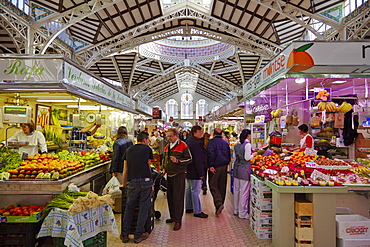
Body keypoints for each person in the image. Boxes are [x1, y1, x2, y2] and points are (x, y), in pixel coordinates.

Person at [121, 132, 153, 244]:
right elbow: (148, 167)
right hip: (145, 181)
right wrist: (152, 184)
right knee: (143, 208)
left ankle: (124, 235)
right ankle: (138, 236)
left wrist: (124, 184)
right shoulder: (148, 150)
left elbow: (125, 169)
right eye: (148, 139)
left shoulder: (128, 150)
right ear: (144, 140)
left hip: (132, 182)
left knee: (129, 208)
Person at [163, 128, 192, 231]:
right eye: (168, 136)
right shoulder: (167, 146)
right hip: (169, 174)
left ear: (176, 135)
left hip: (179, 174)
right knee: (170, 197)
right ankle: (173, 216)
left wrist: (178, 160)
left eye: (170, 136)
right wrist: (164, 168)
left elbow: (189, 159)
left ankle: (178, 220)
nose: (169, 138)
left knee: (178, 197)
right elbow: (164, 159)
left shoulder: (183, 145)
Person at [206, 128, 231, 216]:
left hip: (215, 166)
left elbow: (210, 153)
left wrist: (211, 165)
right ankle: (220, 204)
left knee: (213, 184)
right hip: (224, 166)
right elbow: (229, 154)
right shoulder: (225, 143)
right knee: (222, 185)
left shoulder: (211, 142)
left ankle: (218, 203)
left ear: (213, 133)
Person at [185, 126, 208, 218]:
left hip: (188, 170)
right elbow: (198, 159)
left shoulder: (188, 141)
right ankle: (197, 211)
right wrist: (201, 173)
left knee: (188, 189)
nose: (201, 134)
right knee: (195, 191)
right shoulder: (195, 143)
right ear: (194, 132)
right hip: (194, 171)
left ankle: (188, 207)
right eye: (199, 132)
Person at [233, 129, 256, 219]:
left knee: (237, 190)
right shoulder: (247, 145)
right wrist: (254, 155)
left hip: (236, 169)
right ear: (248, 136)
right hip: (244, 170)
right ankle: (242, 213)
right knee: (244, 192)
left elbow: (235, 157)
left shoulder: (236, 145)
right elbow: (247, 158)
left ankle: (236, 210)